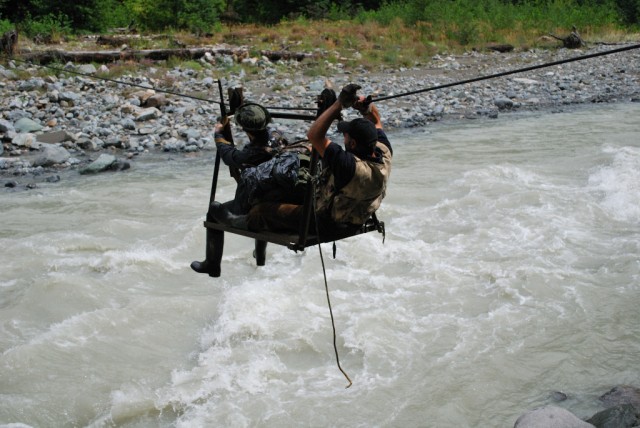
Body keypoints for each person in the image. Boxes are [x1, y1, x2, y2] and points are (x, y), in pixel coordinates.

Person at [213, 83, 393, 235]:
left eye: (345, 135)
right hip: (357, 215)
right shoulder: (383, 153)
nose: (343, 137)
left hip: (327, 222)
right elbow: (376, 121)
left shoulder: (348, 165)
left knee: (261, 211)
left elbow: (315, 135)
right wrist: (366, 107)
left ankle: (240, 221)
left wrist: (339, 104)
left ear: (352, 144)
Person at [190, 102, 286, 274]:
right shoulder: (277, 137)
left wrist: (219, 134)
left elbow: (229, 155)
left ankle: (212, 265)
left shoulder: (252, 154)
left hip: (257, 203)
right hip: (275, 197)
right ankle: (260, 257)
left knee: (213, 212)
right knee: (261, 195)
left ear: (247, 131)